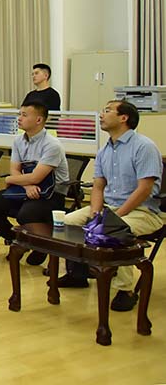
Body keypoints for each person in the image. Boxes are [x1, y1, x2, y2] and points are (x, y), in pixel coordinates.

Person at [56, 100, 163, 312]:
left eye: (107, 111)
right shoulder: (105, 150)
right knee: (67, 222)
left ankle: (125, 290)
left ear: (124, 118)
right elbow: (98, 187)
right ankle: (78, 274)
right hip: (110, 207)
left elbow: (144, 189)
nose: (101, 115)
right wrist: (96, 213)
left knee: (113, 229)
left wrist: (114, 216)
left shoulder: (144, 146)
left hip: (143, 211)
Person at [0, 102, 69, 266]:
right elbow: (15, 170)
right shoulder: (19, 140)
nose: (19, 118)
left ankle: (40, 245)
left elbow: (35, 177)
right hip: (25, 189)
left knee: (25, 215)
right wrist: (25, 185)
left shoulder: (52, 145)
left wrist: (10, 180)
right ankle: (19, 241)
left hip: (51, 194)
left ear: (39, 120)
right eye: (19, 114)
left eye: (24, 115)